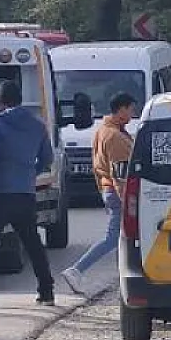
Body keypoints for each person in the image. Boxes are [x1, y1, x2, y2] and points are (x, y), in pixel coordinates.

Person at [0, 80, 56, 307]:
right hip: (25, 194)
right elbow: (47, 159)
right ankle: (46, 292)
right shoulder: (37, 126)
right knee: (33, 242)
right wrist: (29, 174)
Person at [62, 92, 137, 295]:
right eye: (131, 109)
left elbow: (98, 166)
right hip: (116, 191)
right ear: (121, 110)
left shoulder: (104, 130)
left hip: (108, 189)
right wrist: (126, 200)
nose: (132, 114)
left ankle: (123, 274)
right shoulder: (115, 137)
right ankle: (76, 269)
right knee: (112, 238)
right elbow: (120, 174)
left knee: (122, 237)